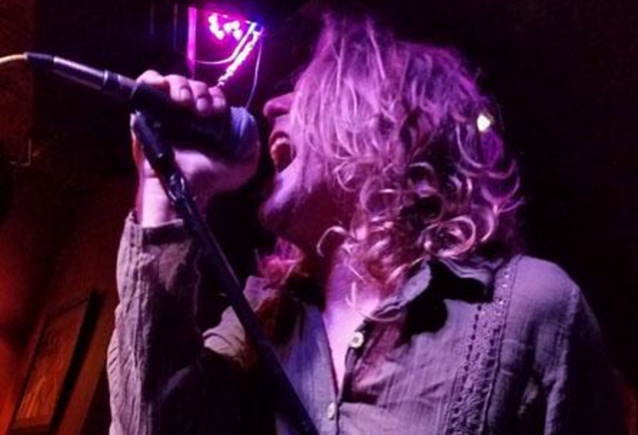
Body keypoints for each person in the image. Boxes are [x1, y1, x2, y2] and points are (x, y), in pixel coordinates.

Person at [107, 12, 626, 435]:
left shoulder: (531, 307)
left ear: (391, 124)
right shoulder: (257, 322)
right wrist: (166, 188)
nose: (271, 106)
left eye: (308, 91)